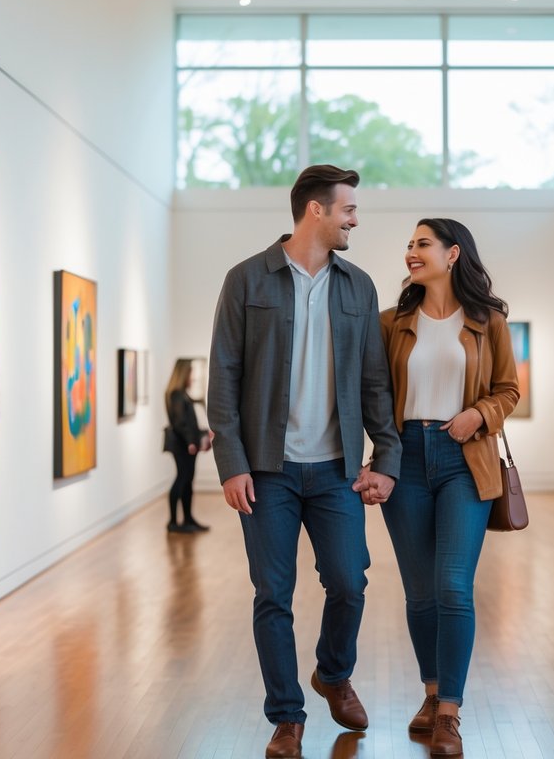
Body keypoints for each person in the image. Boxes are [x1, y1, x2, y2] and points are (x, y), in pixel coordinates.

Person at [207, 165, 402, 759]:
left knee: (348, 581)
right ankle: (286, 717)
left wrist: (386, 456)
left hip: (337, 470)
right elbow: (223, 378)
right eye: (348, 209)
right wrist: (232, 462)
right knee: (273, 592)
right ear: (315, 210)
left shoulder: (358, 287)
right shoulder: (245, 280)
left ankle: (333, 673)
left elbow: (374, 381)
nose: (355, 219)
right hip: (267, 471)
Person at [373, 218, 519, 756]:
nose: (412, 252)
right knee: (420, 592)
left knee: (454, 586)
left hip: (466, 461)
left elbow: (508, 390)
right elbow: (374, 394)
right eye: (409, 244)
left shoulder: (489, 321)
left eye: (423, 244)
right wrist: (377, 458)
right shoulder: (391, 322)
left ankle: (450, 714)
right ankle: (431, 695)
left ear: (454, 253)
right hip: (405, 459)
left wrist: (478, 416)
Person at [164, 358, 211, 533]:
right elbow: (181, 423)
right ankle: (173, 522)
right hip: (181, 445)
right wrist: (191, 442)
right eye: (191, 373)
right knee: (182, 479)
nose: (192, 377)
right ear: (183, 373)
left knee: (187, 480)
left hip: (186, 444)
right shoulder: (177, 394)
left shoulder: (182, 394)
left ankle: (188, 519)